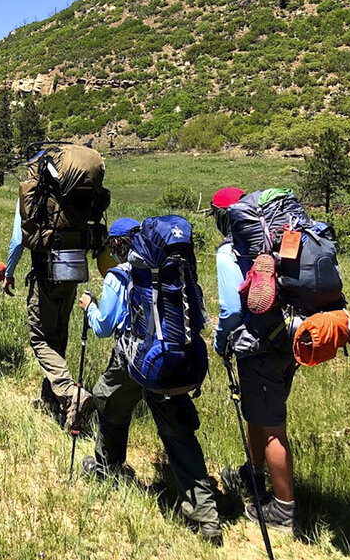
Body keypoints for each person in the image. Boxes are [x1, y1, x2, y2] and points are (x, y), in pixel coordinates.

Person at [78, 218, 222, 546]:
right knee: (179, 435)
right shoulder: (170, 274)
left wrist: (89, 308)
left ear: (117, 245)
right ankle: (206, 515)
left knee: (106, 399)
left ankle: (107, 467)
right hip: (172, 358)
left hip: (132, 358)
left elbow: (102, 327)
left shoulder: (119, 276)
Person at [210, 186, 297, 534]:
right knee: (257, 412)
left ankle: (283, 510)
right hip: (288, 336)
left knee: (274, 427)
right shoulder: (276, 241)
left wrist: (220, 343)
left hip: (255, 344)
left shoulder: (229, 253)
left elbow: (231, 310)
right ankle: (254, 471)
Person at [3, 201, 90, 431]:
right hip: (73, 272)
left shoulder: (34, 194)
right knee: (59, 334)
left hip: (46, 275)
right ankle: (51, 399)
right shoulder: (71, 192)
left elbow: (17, 239)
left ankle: (71, 393)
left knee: (40, 339)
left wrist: (9, 273)